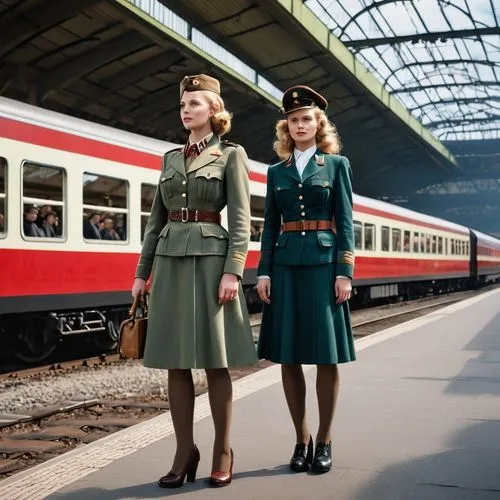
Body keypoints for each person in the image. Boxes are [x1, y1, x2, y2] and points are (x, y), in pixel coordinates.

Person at [131, 74, 257, 489]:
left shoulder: (231, 155)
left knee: (215, 362)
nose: (186, 110)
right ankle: (184, 451)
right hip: (169, 263)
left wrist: (233, 271)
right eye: (183, 104)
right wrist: (140, 274)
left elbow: (240, 219)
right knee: (175, 361)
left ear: (215, 111)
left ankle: (223, 450)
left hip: (210, 263)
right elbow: (155, 223)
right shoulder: (169, 158)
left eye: (196, 103)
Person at [256, 85, 356, 475]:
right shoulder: (276, 172)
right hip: (284, 267)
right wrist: (264, 269)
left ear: (319, 124)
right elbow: (270, 225)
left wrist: (344, 271)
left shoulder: (337, 165)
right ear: (287, 127)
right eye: (293, 120)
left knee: (326, 355)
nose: (300, 124)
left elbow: (345, 221)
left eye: (306, 119)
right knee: (289, 355)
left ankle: (326, 440)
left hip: (323, 265)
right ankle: (302, 439)